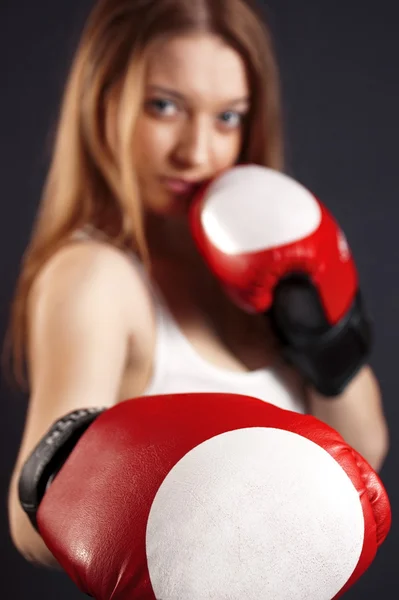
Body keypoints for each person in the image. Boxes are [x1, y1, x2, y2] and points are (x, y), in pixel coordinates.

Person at [6, 0, 388, 572]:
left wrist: (328, 344)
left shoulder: (260, 258)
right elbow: (32, 525)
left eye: (227, 117)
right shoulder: (96, 278)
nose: (197, 152)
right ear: (103, 102)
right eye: (164, 107)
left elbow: (364, 456)